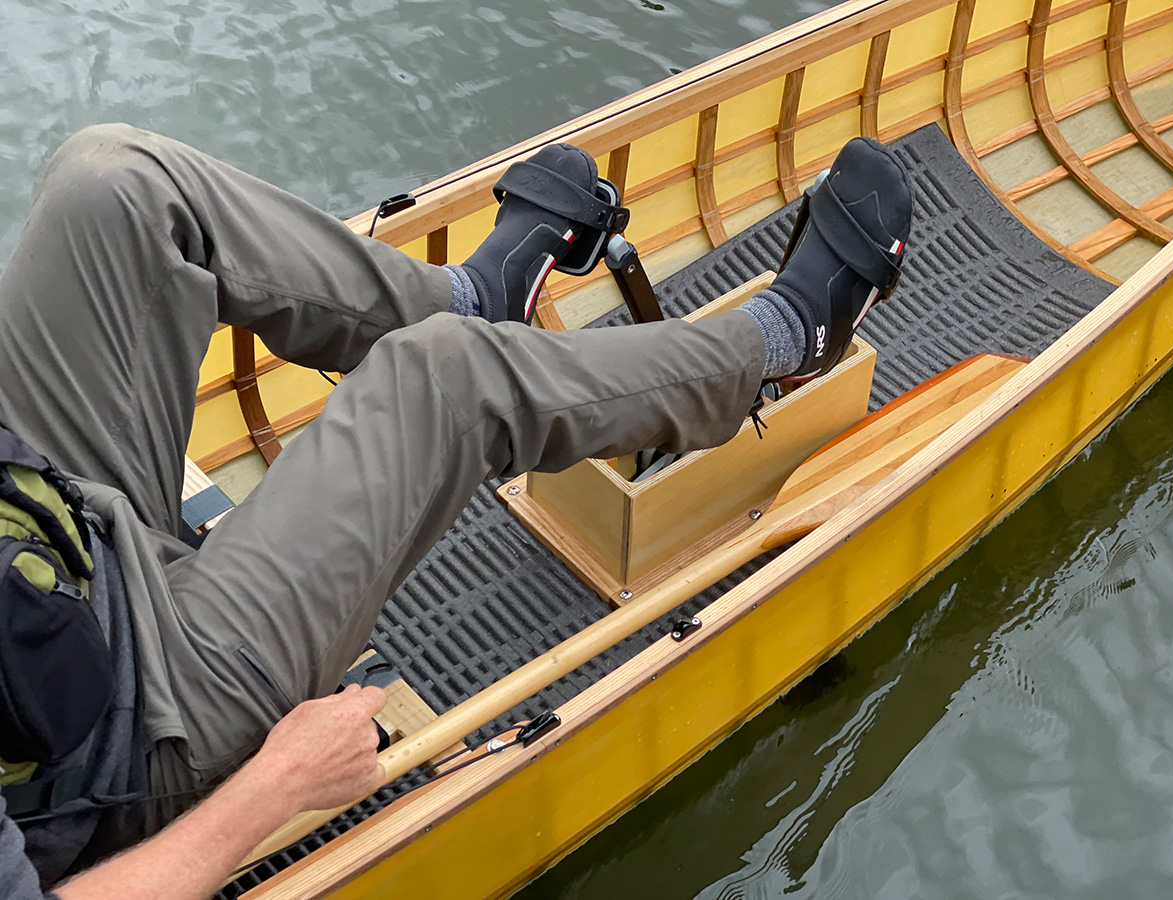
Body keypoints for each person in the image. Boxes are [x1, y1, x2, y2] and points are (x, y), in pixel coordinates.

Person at [0, 124, 911, 898]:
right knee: (444, 379)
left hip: (65, 543)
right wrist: (276, 785)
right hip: (142, 721)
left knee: (112, 185)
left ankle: (476, 299)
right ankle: (786, 341)